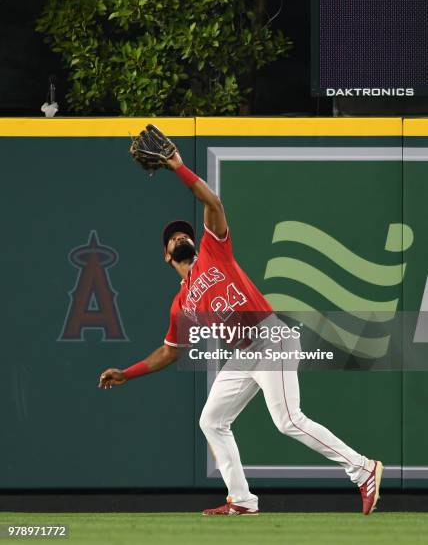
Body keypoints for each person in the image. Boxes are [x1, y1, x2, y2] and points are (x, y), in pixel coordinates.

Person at [98, 142, 383, 516]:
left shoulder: (213, 249)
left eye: (183, 233)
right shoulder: (180, 304)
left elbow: (213, 204)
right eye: (173, 238)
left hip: (270, 339)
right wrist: (128, 373)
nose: (180, 236)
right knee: (211, 420)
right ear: (167, 256)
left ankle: (363, 469)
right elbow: (169, 351)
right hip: (245, 355)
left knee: (288, 420)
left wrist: (180, 168)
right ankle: (243, 501)